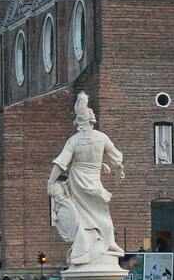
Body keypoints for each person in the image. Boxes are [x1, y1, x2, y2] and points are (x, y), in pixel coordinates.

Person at [47, 92, 126, 267]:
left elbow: (61, 163)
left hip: (78, 181)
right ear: (92, 121)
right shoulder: (101, 138)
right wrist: (115, 168)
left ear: (79, 123)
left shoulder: (74, 140)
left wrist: (51, 181)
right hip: (94, 181)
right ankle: (109, 241)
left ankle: (87, 244)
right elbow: (117, 157)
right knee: (102, 212)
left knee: (82, 214)